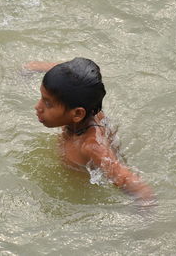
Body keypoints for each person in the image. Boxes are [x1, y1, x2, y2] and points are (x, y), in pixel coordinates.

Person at [25, 58, 154, 203]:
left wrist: (145, 214)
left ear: (77, 114)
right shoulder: (78, 109)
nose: (38, 107)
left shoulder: (91, 146)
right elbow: (71, 75)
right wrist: (32, 68)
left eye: (47, 103)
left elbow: (135, 185)